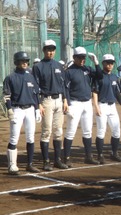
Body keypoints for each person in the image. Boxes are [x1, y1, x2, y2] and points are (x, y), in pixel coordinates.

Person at [32, 39, 68, 171]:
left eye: (52, 49)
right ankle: (46, 161)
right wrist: (39, 104)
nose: (50, 52)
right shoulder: (38, 66)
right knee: (46, 131)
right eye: (48, 49)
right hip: (46, 101)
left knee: (58, 132)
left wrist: (65, 100)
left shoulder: (59, 65)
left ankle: (57, 160)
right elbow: (35, 87)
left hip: (59, 100)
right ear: (44, 50)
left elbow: (63, 84)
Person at [3, 51, 41, 174]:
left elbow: (35, 95)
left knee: (30, 137)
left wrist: (37, 109)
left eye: (26, 61)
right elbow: (6, 96)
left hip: (30, 109)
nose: (25, 63)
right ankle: (12, 165)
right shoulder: (10, 77)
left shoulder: (30, 76)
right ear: (16, 62)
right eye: (22, 61)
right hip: (17, 109)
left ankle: (29, 164)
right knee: (14, 138)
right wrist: (9, 110)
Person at [63, 47, 102, 167]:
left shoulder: (87, 69)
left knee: (88, 131)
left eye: (83, 57)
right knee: (71, 131)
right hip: (75, 103)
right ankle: (66, 157)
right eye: (79, 57)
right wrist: (66, 102)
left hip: (87, 103)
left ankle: (88, 156)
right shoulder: (69, 71)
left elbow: (100, 76)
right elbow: (65, 88)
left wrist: (96, 63)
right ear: (74, 58)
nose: (82, 60)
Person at [92, 54, 121, 163]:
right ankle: (100, 155)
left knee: (116, 131)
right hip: (102, 105)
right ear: (103, 63)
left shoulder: (114, 76)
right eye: (108, 63)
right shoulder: (99, 76)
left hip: (112, 107)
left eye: (112, 63)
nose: (110, 65)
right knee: (101, 131)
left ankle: (114, 153)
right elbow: (95, 92)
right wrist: (96, 106)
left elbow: (117, 91)